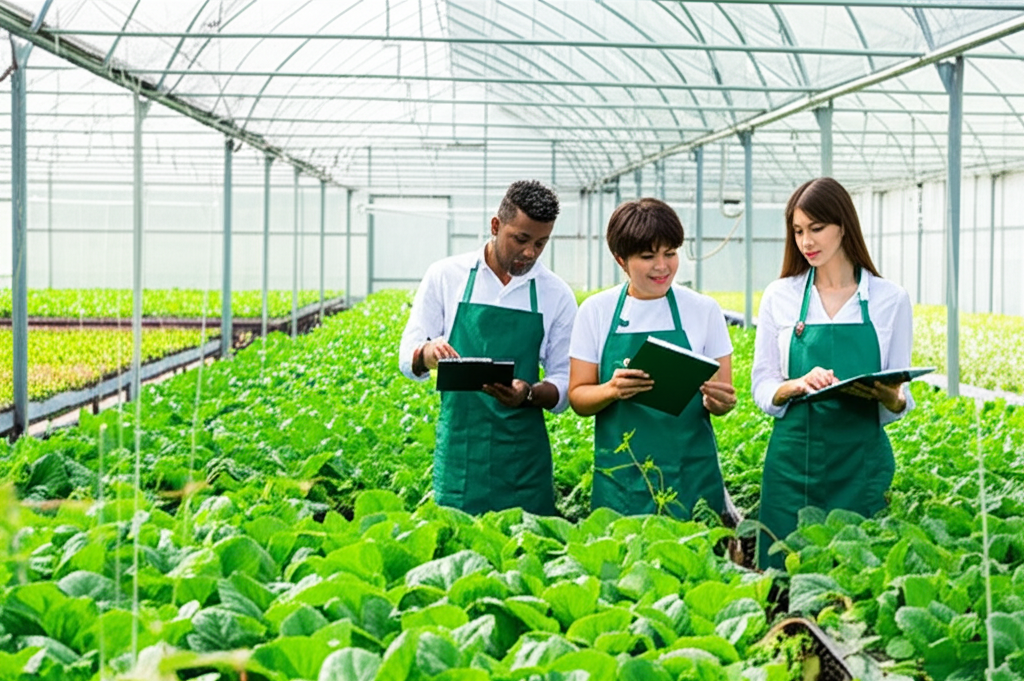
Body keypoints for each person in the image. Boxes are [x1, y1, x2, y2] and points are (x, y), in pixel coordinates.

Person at [752, 177, 915, 570]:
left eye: (817, 228)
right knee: (783, 578)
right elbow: (762, 384)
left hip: (860, 464)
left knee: (857, 578)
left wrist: (890, 397)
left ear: (843, 226)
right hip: (792, 464)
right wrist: (795, 385)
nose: (806, 242)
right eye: (798, 231)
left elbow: (901, 397)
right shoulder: (780, 295)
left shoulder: (890, 300)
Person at [399, 180, 577, 516]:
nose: (530, 252)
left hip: (524, 460)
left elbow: (565, 381)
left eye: (540, 243)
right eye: (520, 239)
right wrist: (428, 353)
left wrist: (528, 393)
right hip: (462, 454)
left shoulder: (556, 293)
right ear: (495, 226)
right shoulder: (446, 276)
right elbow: (407, 357)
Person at [567, 198, 736, 518]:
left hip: (691, 475)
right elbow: (578, 397)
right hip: (622, 478)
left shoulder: (703, 310)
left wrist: (720, 402)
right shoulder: (596, 311)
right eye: (648, 257)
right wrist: (612, 389)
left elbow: (723, 397)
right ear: (621, 260)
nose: (662, 266)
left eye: (670, 253)